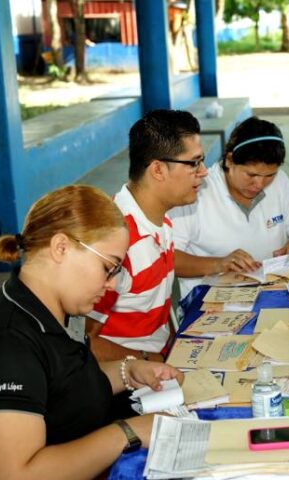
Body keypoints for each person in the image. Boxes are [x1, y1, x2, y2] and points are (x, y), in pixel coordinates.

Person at [0, 185, 184, 479]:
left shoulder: (49, 312)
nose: (113, 285)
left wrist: (127, 371)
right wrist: (126, 433)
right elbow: (15, 474)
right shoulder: (5, 344)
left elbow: (65, 388)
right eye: (109, 267)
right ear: (61, 247)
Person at [85, 109, 208, 362]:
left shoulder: (160, 220)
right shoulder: (118, 244)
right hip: (127, 382)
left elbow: (158, 319)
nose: (204, 171)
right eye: (194, 162)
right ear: (158, 170)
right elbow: (87, 346)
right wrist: (149, 360)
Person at [170, 116, 289, 300]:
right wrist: (219, 264)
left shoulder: (280, 183)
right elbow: (169, 259)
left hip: (272, 293)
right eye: (252, 174)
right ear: (229, 160)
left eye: (269, 175)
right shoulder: (196, 192)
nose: (260, 184)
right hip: (210, 303)